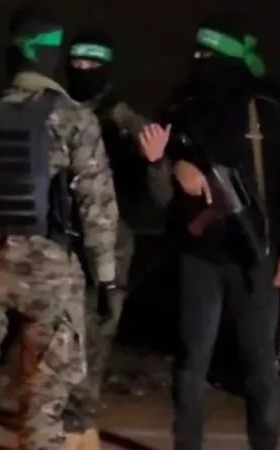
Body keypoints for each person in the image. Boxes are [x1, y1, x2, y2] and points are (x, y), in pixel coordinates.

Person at [0, 11, 118, 450]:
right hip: (50, 271)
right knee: (43, 400)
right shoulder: (72, 117)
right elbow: (96, 206)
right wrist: (106, 277)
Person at [163, 17, 280, 450]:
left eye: (210, 55)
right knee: (191, 361)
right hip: (199, 253)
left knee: (259, 364)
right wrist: (176, 165)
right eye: (197, 54)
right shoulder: (184, 106)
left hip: (255, 254)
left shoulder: (265, 110)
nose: (200, 63)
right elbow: (160, 158)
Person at [60, 31, 173, 450]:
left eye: (92, 64)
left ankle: (80, 425)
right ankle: (70, 424)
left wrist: (155, 163)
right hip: (60, 241)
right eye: (77, 64)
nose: (83, 71)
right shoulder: (58, 109)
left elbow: (160, 197)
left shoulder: (123, 120)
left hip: (111, 245)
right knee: (58, 340)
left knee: (96, 339)